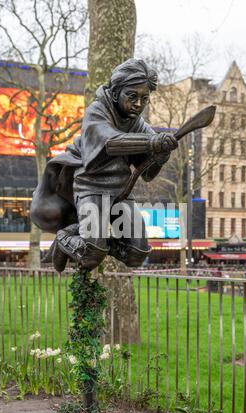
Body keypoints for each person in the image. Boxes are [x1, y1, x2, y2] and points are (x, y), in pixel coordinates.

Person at [31, 58, 178, 272]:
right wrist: (152, 142)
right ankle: (69, 239)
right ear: (116, 92)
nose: (138, 104)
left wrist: (160, 155)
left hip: (120, 192)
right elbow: (110, 142)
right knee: (91, 255)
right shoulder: (97, 111)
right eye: (132, 96)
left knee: (137, 253)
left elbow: (147, 174)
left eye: (144, 99)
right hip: (91, 187)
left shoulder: (138, 124)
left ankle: (89, 239)